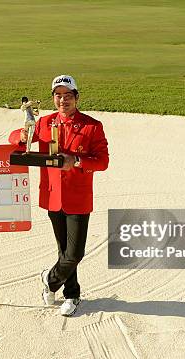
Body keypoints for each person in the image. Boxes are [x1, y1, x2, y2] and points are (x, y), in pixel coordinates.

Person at [8, 75, 109, 316]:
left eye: (67, 95)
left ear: (76, 97)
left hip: (78, 197)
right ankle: (71, 296)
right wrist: (21, 137)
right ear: (53, 98)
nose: (63, 100)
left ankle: (49, 280)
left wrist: (75, 161)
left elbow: (102, 161)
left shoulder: (92, 126)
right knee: (64, 250)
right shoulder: (44, 123)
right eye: (58, 95)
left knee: (75, 253)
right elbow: (17, 140)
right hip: (53, 196)